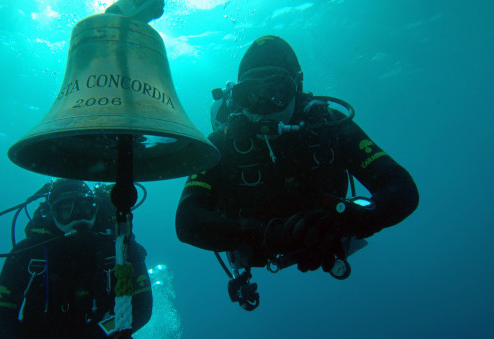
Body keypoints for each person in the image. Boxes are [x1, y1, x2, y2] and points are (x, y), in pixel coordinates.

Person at [175, 35, 419, 309]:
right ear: (236, 98)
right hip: (257, 242)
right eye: (249, 96)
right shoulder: (222, 145)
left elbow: (402, 189)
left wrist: (344, 222)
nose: (263, 108)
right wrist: (261, 234)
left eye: (277, 91)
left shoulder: (332, 128)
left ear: (297, 88)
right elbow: (187, 221)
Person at [0, 179, 152, 339]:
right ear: (52, 215)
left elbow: (142, 307)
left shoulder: (120, 247)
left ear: (96, 209)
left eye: (85, 207)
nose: (77, 217)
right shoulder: (29, 254)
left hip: (99, 335)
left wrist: (102, 332)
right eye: (66, 210)